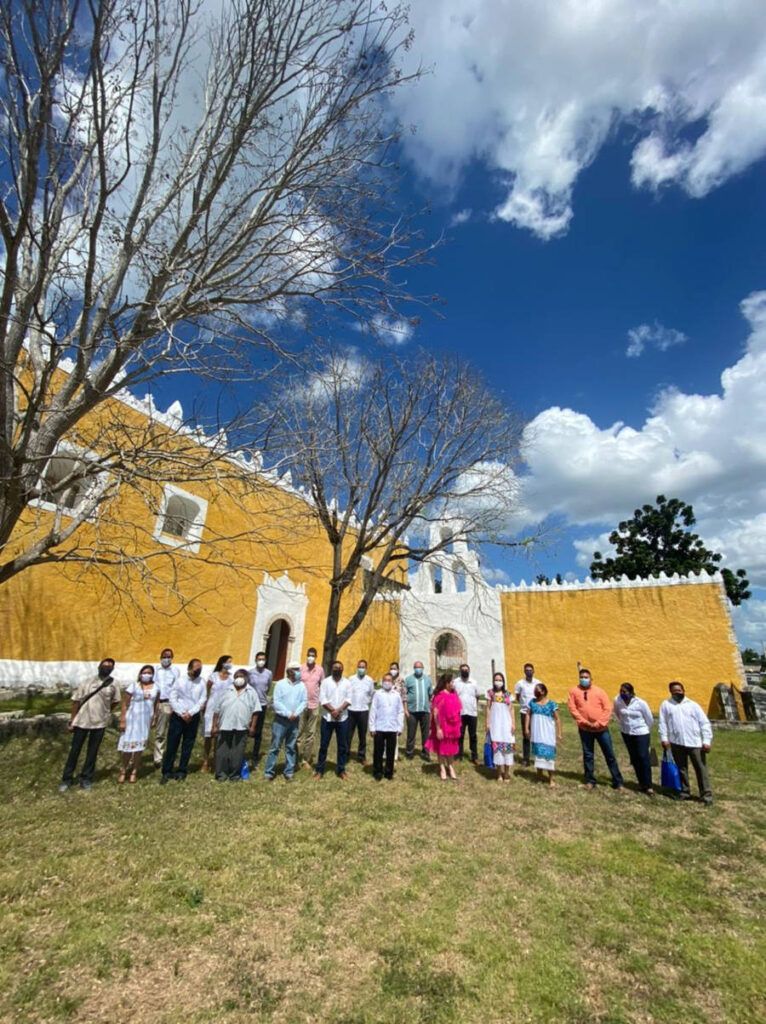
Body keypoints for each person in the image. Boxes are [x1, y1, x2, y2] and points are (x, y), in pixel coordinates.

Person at [59, 658, 121, 792]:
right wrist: (72, 720)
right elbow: (76, 701)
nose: (106, 668)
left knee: (92, 752)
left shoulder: (114, 684)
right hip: (82, 721)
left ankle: (86, 778)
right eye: (104, 665)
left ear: (112, 669)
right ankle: (67, 779)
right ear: (99, 667)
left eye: (110, 666)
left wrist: (106, 711)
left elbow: (116, 701)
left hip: (99, 723)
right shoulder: (87, 682)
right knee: (75, 751)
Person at [567, 666, 624, 791]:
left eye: (586, 677)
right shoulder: (573, 691)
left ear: (591, 678)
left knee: (609, 754)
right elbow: (572, 708)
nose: (584, 679)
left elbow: (607, 708)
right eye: (581, 677)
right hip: (585, 729)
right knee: (588, 755)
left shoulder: (599, 691)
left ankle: (618, 782)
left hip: (601, 729)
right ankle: (590, 781)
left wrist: (599, 723)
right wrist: (584, 722)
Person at [659, 681, 714, 805]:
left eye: (679, 691)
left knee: (701, 769)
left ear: (683, 691)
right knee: (681, 769)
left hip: (695, 743)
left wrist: (706, 741)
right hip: (676, 742)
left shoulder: (693, 705)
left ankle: (706, 795)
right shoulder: (666, 705)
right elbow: (663, 723)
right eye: (674, 691)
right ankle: (685, 792)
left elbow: (704, 723)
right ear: (670, 692)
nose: (677, 693)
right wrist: (664, 738)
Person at [160, 658, 206, 783]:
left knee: (188, 744)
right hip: (178, 716)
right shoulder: (180, 681)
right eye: (196, 668)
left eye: (200, 668)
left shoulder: (202, 682)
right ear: (189, 668)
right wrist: (181, 713)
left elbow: (202, 700)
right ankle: (167, 771)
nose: (199, 670)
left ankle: (182, 770)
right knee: (172, 744)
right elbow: (173, 698)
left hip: (193, 717)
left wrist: (191, 713)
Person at [212, 669, 261, 782]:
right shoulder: (226, 690)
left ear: (246, 678)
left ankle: (234, 775)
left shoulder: (251, 692)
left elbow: (256, 711)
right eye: (237, 676)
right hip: (225, 725)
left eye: (241, 676)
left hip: (242, 726)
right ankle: (221, 774)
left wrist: (253, 726)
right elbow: (216, 710)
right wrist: (214, 726)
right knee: (222, 752)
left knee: (238, 752)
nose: (239, 678)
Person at [265, 661, 307, 782]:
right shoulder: (280, 684)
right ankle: (269, 772)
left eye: (299, 669)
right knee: (275, 746)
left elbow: (304, 701)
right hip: (281, 720)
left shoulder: (302, 686)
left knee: (291, 746)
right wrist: (288, 714)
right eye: (296, 669)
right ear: (289, 671)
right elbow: (277, 702)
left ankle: (289, 771)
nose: (298, 672)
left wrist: (296, 713)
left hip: (294, 720)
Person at [118, 665, 159, 783]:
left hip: (145, 720)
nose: (146, 675)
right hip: (132, 719)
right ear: (140, 674)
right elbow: (125, 703)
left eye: (149, 673)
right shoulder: (134, 686)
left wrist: (154, 717)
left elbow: (156, 704)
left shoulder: (156, 687)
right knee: (127, 747)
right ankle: (123, 770)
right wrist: (123, 719)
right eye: (144, 672)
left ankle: (134, 771)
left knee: (139, 748)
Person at [613, 682, 655, 795]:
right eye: (621, 691)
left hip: (641, 733)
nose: (622, 693)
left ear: (631, 692)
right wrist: (623, 724)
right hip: (627, 733)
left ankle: (648, 785)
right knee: (635, 758)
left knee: (643, 757)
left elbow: (649, 719)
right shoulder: (617, 700)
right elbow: (617, 713)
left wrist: (644, 729)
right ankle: (641, 783)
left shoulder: (640, 703)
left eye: (625, 692)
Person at [314, 660, 352, 780]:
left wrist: (338, 711)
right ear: (332, 669)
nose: (337, 669)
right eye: (335, 667)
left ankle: (341, 770)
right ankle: (319, 770)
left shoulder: (347, 683)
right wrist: (332, 711)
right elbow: (322, 699)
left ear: (342, 669)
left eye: (339, 667)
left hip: (342, 719)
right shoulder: (325, 682)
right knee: (323, 745)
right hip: (327, 718)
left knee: (342, 746)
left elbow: (349, 699)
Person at [425, 674, 463, 780]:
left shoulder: (454, 694)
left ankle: (450, 767)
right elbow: (435, 712)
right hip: (442, 726)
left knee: (451, 747)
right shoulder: (440, 696)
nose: (453, 684)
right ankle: (442, 768)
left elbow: (458, 709)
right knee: (441, 747)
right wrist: (438, 728)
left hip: (453, 726)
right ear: (446, 683)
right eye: (451, 682)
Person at [369, 672, 405, 781]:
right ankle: (377, 771)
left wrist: (400, 727)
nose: (387, 682)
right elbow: (373, 710)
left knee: (390, 751)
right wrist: (372, 727)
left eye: (389, 680)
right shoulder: (378, 694)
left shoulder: (396, 695)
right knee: (378, 751)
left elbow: (400, 711)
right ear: (382, 681)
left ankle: (389, 772)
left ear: (392, 682)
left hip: (392, 727)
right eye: (385, 680)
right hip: (379, 727)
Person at [202, 654, 234, 772]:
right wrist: (204, 704)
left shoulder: (231, 679)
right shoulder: (213, 676)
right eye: (228, 662)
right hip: (211, 708)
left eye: (231, 662)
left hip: (223, 708)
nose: (230, 664)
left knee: (219, 737)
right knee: (208, 736)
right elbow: (206, 691)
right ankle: (205, 761)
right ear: (222, 663)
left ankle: (216, 761)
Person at [528, 683, 562, 786]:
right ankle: (539, 776)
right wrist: (526, 728)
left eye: (537, 690)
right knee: (538, 756)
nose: (535, 692)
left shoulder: (551, 704)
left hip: (548, 734)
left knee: (548, 756)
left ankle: (551, 779)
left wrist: (559, 733)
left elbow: (557, 719)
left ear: (543, 691)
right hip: (537, 734)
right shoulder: (532, 703)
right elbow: (528, 715)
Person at [153, 647, 181, 768]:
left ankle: (168, 756)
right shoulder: (155, 670)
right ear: (160, 657)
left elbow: (177, 687)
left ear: (172, 658)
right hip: (159, 703)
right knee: (159, 732)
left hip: (171, 703)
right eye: (164, 656)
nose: (166, 659)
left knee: (171, 731)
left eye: (169, 657)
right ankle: (157, 758)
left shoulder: (175, 671)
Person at [485, 671, 515, 782]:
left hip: (506, 724)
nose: (498, 682)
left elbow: (512, 709)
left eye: (500, 680)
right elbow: (488, 709)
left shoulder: (508, 694)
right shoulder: (490, 693)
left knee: (507, 749)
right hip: (495, 724)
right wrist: (487, 723)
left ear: (503, 681)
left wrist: (513, 723)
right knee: (497, 750)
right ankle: (499, 774)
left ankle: (506, 773)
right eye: (496, 680)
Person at [297, 646, 324, 769]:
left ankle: (306, 759)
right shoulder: (301, 668)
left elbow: (322, 685)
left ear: (316, 657)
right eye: (309, 655)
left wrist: (320, 701)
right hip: (301, 705)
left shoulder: (320, 670)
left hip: (314, 705)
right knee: (298, 733)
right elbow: (296, 684)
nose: (310, 657)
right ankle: (295, 758)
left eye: (313, 655)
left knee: (311, 734)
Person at [247, 650, 273, 765]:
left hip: (262, 704)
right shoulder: (250, 673)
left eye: (263, 659)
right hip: (250, 704)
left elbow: (268, 686)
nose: (261, 661)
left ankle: (255, 755)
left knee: (258, 730)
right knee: (246, 727)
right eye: (259, 659)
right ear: (255, 660)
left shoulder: (268, 673)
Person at [404, 660, 433, 760]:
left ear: (423, 668)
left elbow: (430, 695)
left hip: (425, 711)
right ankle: (409, 752)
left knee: (426, 734)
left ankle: (426, 753)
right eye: (416, 667)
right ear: (414, 668)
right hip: (412, 711)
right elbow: (404, 696)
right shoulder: (408, 680)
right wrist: (405, 710)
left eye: (420, 667)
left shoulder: (428, 680)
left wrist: (430, 708)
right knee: (411, 733)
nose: (418, 669)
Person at [514, 662, 541, 766]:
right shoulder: (520, 683)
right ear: (524, 671)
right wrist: (524, 704)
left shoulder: (538, 683)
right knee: (526, 735)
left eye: (530, 670)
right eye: (527, 670)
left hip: (536, 713)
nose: (529, 672)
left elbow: (541, 696)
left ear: (533, 671)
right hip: (524, 712)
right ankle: (526, 759)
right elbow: (518, 697)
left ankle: (538, 758)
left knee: (537, 735)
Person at [347, 659, 375, 764]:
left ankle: (361, 756)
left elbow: (372, 694)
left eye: (363, 667)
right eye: (359, 667)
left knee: (362, 735)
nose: (361, 669)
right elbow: (347, 693)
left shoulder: (370, 680)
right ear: (357, 667)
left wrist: (366, 702)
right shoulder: (351, 679)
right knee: (348, 734)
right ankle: (346, 754)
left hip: (363, 710)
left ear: (366, 668)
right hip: (351, 710)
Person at [454, 663, 480, 763]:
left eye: (466, 669)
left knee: (473, 735)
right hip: (460, 713)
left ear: (469, 671)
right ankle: (458, 755)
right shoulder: (456, 682)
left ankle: (474, 756)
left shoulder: (474, 682)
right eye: (463, 670)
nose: (465, 671)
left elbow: (477, 696)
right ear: (460, 671)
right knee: (460, 735)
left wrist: (474, 706)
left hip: (472, 713)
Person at [389, 661, 406, 761]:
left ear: (398, 670)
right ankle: (385, 753)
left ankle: (394, 754)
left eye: (394, 668)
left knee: (395, 734)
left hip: (397, 710)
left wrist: (405, 709)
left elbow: (404, 696)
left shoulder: (401, 681)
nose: (393, 670)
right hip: (387, 710)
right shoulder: (387, 679)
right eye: (391, 668)